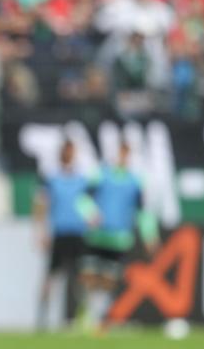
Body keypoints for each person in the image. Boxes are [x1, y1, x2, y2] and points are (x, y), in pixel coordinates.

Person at [77, 139, 159, 332]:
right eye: (121, 153)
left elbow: (143, 211)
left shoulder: (134, 182)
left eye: (127, 153)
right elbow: (83, 199)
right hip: (97, 235)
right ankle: (87, 313)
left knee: (109, 279)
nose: (123, 157)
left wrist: (150, 236)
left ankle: (99, 318)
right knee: (89, 275)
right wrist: (91, 213)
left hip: (119, 237)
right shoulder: (101, 176)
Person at [34, 139, 88, 330]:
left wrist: (92, 220)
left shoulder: (81, 179)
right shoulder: (52, 179)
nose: (70, 155)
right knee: (51, 277)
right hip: (59, 232)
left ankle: (78, 318)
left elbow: (87, 205)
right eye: (67, 151)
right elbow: (42, 204)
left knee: (79, 279)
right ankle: (42, 319)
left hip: (78, 232)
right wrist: (41, 231)